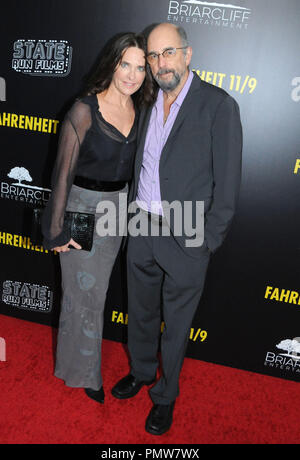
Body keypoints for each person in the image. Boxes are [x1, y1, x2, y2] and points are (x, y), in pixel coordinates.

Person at [112, 23, 243, 434]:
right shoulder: (148, 100)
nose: (159, 63)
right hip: (140, 225)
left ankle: (165, 396)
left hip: (187, 236)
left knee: (178, 324)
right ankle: (142, 371)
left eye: (168, 52)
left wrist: (207, 240)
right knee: (142, 312)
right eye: (153, 56)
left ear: (187, 54)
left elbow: (228, 182)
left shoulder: (218, 105)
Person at [41, 32, 154, 404]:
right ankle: (85, 374)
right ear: (112, 63)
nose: (133, 75)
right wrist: (57, 232)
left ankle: (77, 366)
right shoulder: (84, 110)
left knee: (96, 293)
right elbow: (62, 175)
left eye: (140, 67)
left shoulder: (141, 112)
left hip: (117, 211)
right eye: (126, 64)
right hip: (81, 209)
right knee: (80, 295)